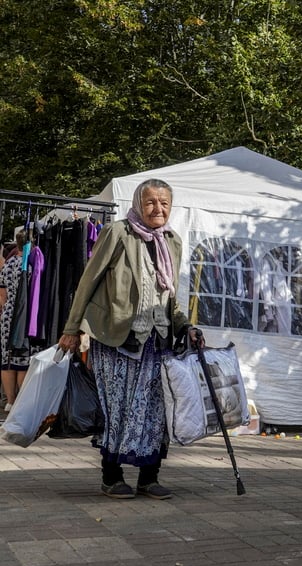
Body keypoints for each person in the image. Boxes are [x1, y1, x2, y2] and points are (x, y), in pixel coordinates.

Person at [58, 179, 197, 500]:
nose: (157, 209)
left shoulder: (171, 241)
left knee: (156, 412)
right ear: (138, 203)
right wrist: (71, 328)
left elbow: (169, 296)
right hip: (116, 336)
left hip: (158, 340)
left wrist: (186, 326)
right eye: (150, 202)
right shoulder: (118, 233)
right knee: (116, 408)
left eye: (164, 203)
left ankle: (149, 477)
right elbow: (87, 281)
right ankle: (111, 476)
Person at [0, 231, 31, 412]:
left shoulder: (9, 264)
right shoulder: (31, 265)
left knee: (7, 358)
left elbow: (2, 295)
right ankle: (19, 400)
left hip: (8, 315)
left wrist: (6, 309)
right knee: (22, 359)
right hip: (23, 315)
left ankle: (10, 401)